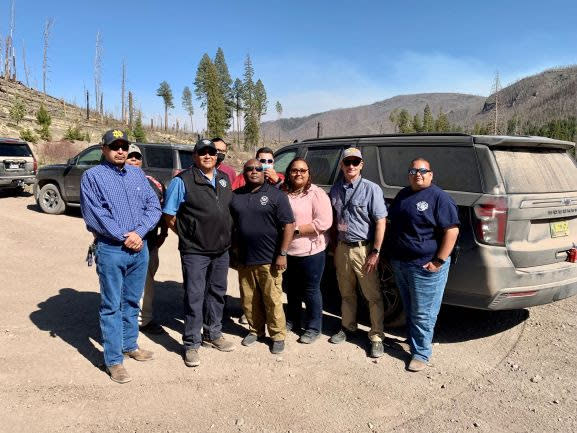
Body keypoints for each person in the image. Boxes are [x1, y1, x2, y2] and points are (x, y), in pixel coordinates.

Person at [80, 129, 161, 383]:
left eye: (124, 146)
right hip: (112, 249)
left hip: (140, 248)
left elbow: (154, 205)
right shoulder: (92, 177)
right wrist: (125, 236)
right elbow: (96, 214)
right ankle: (114, 360)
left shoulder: (137, 173)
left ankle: (130, 344)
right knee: (111, 305)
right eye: (114, 146)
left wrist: (139, 233)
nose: (120, 151)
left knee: (131, 301)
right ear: (103, 148)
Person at [162, 138, 235, 367]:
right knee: (194, 296)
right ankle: (191, 343)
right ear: (194, 156)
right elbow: (169, 214)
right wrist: (187, 235)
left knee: (217, 292)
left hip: (221, 249)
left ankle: (213, 334)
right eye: (202, 152)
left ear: (217, 156)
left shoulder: (223, 179)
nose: (207, 156)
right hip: (195, 251)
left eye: (211, 152)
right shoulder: (182, 181)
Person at [387, 158, 459, 372]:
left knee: (423, 313)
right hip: (401, 263)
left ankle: (421, 353)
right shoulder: (403, 194)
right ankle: (414, 341)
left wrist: (438, 261)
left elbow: (452, 231)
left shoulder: (439, 198)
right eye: (413, 170)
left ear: (430, 174)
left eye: (422, 170)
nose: (417, 174)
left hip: (424, 266)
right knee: (409, 308)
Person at [230, 159, 295, 354]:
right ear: (244, 173)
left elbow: (289, 225)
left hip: (270, 258)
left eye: (258, 169)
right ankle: (255, 330)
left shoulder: (276, 196)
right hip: (244, 258)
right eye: (249, 169)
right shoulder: (236, 196)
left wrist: (282, 253)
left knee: (272, 299)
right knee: (248, 299)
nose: (254, 172)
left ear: (264, 172)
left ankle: (277, 335)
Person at [328, 147, 388, 358]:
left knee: (372, 295)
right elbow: (334, 222)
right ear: (342, 165)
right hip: (343, 249)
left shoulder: (372, 189)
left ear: (361, 164)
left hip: (364, 249)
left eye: (355, 162)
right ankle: (347, 327)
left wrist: (376, 251)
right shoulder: (335, 190)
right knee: (346, 293)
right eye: (347, 162)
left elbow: (380, 222)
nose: (351, 166)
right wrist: (334, 246)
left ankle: (377, 336)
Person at [282, 158, 332, 344]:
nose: (299, 174)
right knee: (292, 289)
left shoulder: (316, 194)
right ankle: (293, 320)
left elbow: (324, 222)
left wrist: (295, 230)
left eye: (303, 170)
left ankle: (313, 327)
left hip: (312, 251)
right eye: (295, 170)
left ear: (309, 173)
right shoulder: (283, 192)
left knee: (311, 290)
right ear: (289, 172)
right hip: (289, 250)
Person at [125, 144, 168, 334]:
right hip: (121, 243)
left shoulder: (154, 182)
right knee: (121, 283)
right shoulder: (114, 181)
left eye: (137, 157)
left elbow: (164, 210)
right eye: (130, 156)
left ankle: (144, 320)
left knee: (147, 282)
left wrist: (164, 233)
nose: (134, 160)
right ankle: (124, 321)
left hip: (149, 242)